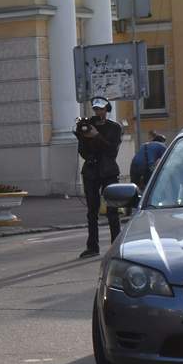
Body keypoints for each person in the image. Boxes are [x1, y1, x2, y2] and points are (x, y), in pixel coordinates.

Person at [75, 96, 123, 258]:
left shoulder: (114, 127)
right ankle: (92, 246)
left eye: (101, 109)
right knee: (92, 211)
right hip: (91, 171)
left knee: (112, 210)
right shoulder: (88, 125)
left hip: (109, 171)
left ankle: (116, 245)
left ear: (107, 109)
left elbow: (112, 151)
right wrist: (83, 136)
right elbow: (82, 151)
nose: (98, 112)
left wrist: (96, 136)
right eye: (96, 109)